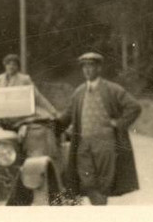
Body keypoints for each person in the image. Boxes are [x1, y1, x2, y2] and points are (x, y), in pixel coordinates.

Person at [58, 52, 141, 205]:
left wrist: (119, 123)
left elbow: (134, 107)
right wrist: (51, 124)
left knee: (103, 184)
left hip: (105, 144)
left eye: (91, 66)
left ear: (99, 68)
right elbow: (66, 116)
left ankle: (100, 215)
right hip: (83, 144)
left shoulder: (112, 89)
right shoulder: (79, 92)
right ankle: (100, 209)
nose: (87, 70)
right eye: (84, 67)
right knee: (87, 181)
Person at [0, 53, 58, 118]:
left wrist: (52, 111)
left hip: (18, 113)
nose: (11, 67)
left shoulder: (24, 79)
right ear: (5, 65)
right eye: (9, 64)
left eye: (14, 65)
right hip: (1, 112)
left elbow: (37, 96)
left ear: (18, 67)